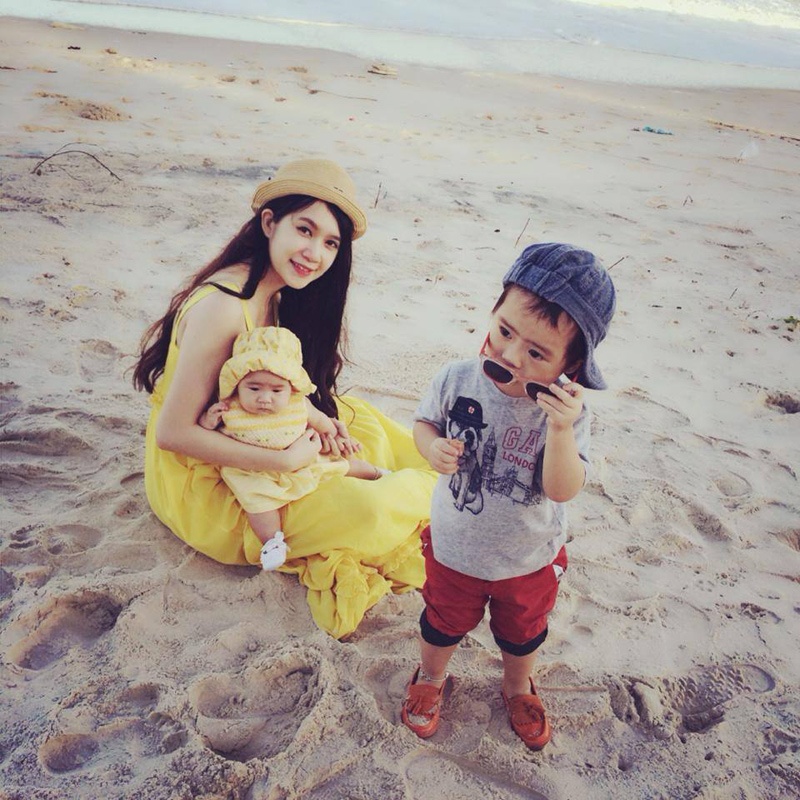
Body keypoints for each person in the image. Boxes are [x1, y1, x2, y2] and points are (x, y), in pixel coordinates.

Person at [132, 158, 436, 638]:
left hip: (257, 432)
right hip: (208, 482)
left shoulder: (272, 292)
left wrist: (313, 422)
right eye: (305, 230)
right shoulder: (224, 307)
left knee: (363, 425)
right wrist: (283, 461)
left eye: (331, 243)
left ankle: (417, 487)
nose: (315, 253)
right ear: (270, 223)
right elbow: (173, 433)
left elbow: (269, 388)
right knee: (369, 511)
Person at [400, 242, 616, 749]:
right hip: (456, 546)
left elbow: (562, 489)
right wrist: (431, 448)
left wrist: (559, 430)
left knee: (523, 633)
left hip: (527, 558)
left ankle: (518, 685)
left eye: (537, 353)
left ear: (571, 367)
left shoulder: (566, 416)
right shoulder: (456, 377)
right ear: (494, 312)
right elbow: (425, 423)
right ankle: (430, 677)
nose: (511, 355)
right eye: (504, 331)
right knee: (440, 623)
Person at [198, 325, 387, 570]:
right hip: (252, 471)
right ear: (237, 384)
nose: (265, 398)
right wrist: (208, 420)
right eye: (254, 388)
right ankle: (272, 542)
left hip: (302, 456)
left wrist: (339, 438)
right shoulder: (229, 407)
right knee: (258, 504)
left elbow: (323, 424)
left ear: (291, 387)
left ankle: (377, 473)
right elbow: (205, 434)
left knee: (340, 465)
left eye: (276, 390)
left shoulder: (299, 404)